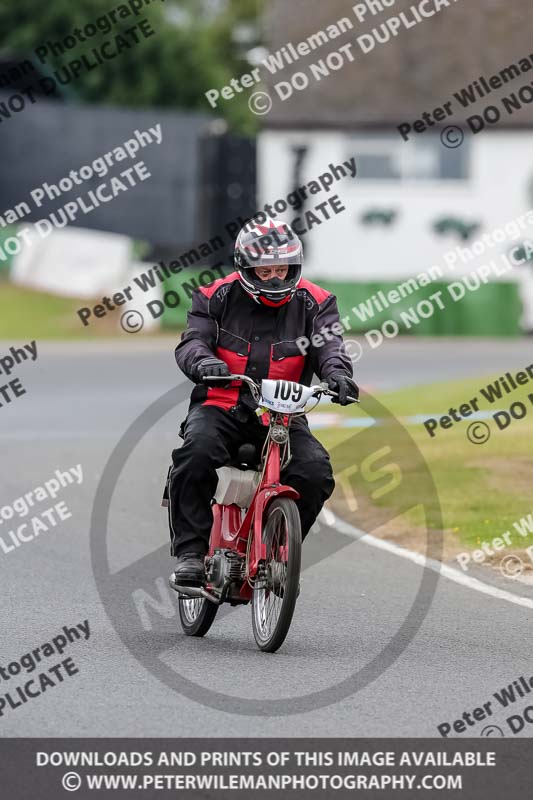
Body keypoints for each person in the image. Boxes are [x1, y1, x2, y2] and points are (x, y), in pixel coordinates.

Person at [168, 218, 359, 585]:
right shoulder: (213, 296)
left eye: (282, 269)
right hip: (221, 404)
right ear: (245, 268)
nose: (274, 279)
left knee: (315, 472)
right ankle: (190, 553)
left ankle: (277, 547)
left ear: (295, 266)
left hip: (283, 415)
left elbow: (330, 347)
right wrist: (204, 362)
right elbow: (192, 341)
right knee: (196, 453)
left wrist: (338, 375)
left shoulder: (318, 302)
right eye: (265, 270)